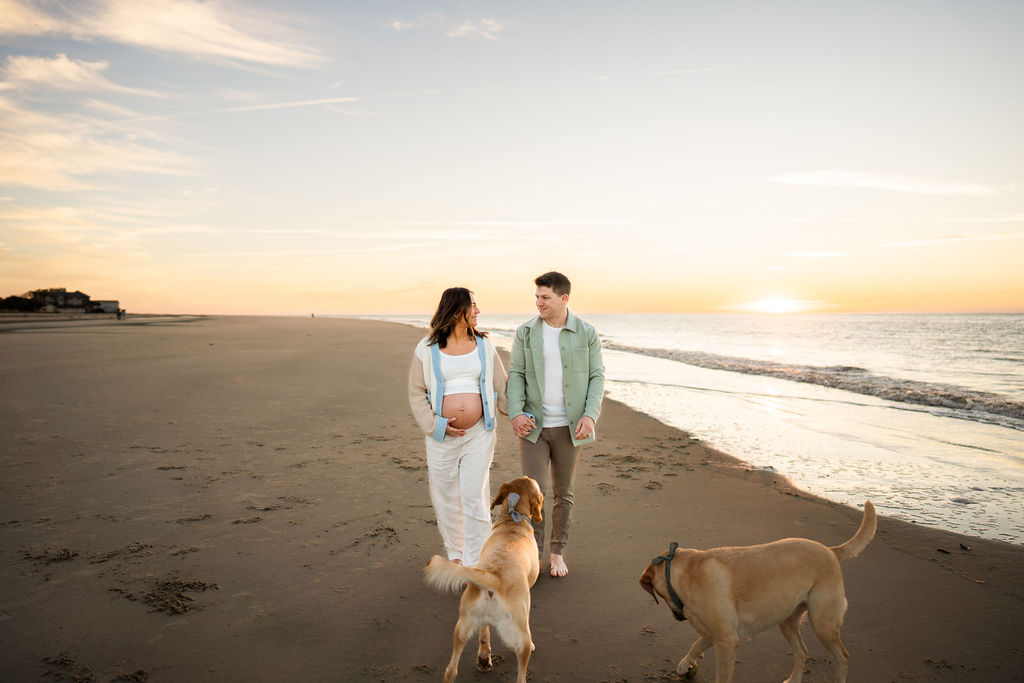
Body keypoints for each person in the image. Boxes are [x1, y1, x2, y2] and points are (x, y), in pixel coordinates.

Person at [507, 271, 604, 577]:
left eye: (545, 297)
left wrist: (590, 415)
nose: (539, 302)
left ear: (564, 299)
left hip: (569, 427)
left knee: (564, 492)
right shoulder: (525, 332)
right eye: (537, 297)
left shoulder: (586, 333)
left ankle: (557, 552)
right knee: (533, 493)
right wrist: (516, 413)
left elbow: (596, 376)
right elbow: (517, 374)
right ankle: (532, 555)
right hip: (533, 427)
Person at [408, 287, 508, 567]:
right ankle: (456, 554)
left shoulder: (485, 346)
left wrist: (519, 416)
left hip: (479, 433)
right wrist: (435, 426)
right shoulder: (427, 348)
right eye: (473, 306)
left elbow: (501, 386)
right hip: (441, 437)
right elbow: (416, 392)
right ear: (455, 309)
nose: (478, 311)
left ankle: (478, 558)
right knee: (447, 495)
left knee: (474, 494)